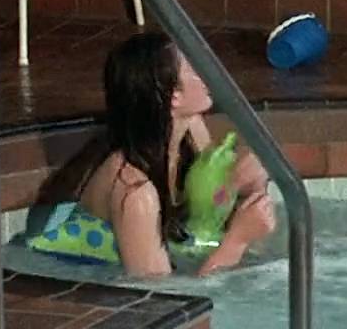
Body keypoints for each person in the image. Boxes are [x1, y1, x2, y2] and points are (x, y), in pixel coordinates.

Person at [29, 31, 276, 277]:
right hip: (70, 276)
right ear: (174, 96)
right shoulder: (135, 192)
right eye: (194, 67)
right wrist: (238, 240)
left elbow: (210, 211)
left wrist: (245, 186)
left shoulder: (191, 131)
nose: (207, 72)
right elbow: (159, 293)